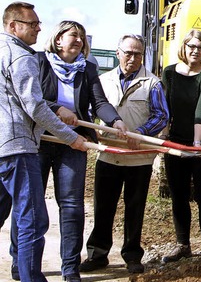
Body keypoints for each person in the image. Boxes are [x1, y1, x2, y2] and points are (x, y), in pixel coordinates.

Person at [8, 19, 128, 282]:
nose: (79, 40)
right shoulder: (38, 61)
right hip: (40, 142)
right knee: (29, 206)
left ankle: (70, 269)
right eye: (73, 35)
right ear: (58, 38)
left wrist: (115, 121)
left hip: (73, 142)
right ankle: (21, 263)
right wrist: (56, 109)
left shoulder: (88, 69)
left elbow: (99, 102)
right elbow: (30, 99)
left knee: (72, 206)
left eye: (82, 37)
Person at [0, 1, 87, 282]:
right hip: (18, 147)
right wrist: (71, 138)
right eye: (32, 24)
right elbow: (35, 107)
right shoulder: (21, 56)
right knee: (33, 220)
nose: (39, 28)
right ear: (13, 26)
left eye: (38, 23)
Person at [79, 34, 169, 274]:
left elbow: (161, 115)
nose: (132, 58)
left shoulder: (152, 83)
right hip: (108, 154)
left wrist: (138, 134)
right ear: (117, 53)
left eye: (137, 54)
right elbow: (89, 110)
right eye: (128, 53)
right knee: (103, 206)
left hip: (138, 157)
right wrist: (93, 134)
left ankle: (131, 255)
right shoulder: (102, 80)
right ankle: (97, 254)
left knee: (135, 207)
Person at [161, 29, 201, 262]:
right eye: (191, 46)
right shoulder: (169, 74)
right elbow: (164, 107)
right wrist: (163, 137)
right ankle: (183, 244)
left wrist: (197, 144)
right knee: (179, 195)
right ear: (183, 48)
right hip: (176, 141)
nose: (195, 51)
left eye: (200, 47)